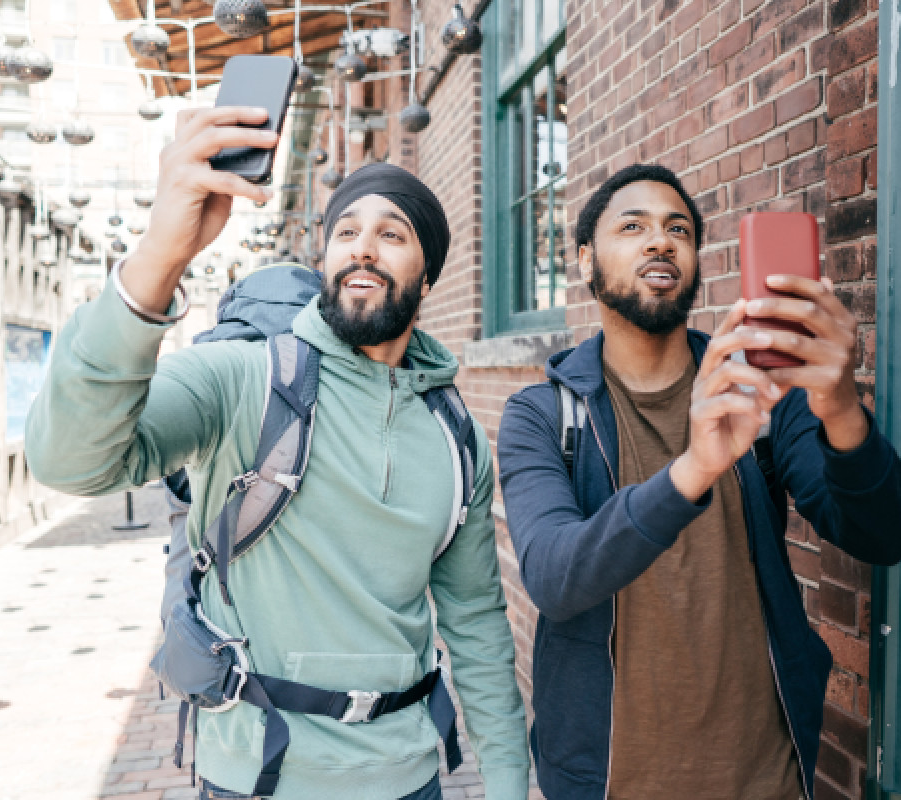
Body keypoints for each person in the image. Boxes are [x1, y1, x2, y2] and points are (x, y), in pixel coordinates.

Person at [26, 106, 529, 800]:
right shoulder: (246, 379)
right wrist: (159, 259)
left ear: (429, 272)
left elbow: (474, 621)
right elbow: (70, 461)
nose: (363, 247)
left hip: (411, 778)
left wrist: (507, 781)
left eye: (392, 233)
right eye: (346, 231)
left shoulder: (458, 434)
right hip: (259, 779)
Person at [496, 164, 901, 800]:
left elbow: (883, 535)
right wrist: (694, 468)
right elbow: (555, 580)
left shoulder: (766, 393)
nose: (659, 240)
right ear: (586, 262)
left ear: (694, 261)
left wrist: (839, 407)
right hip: (609, 780)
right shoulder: (544, 414)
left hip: (762, 776)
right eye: (632, 226)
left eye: (679, 230)